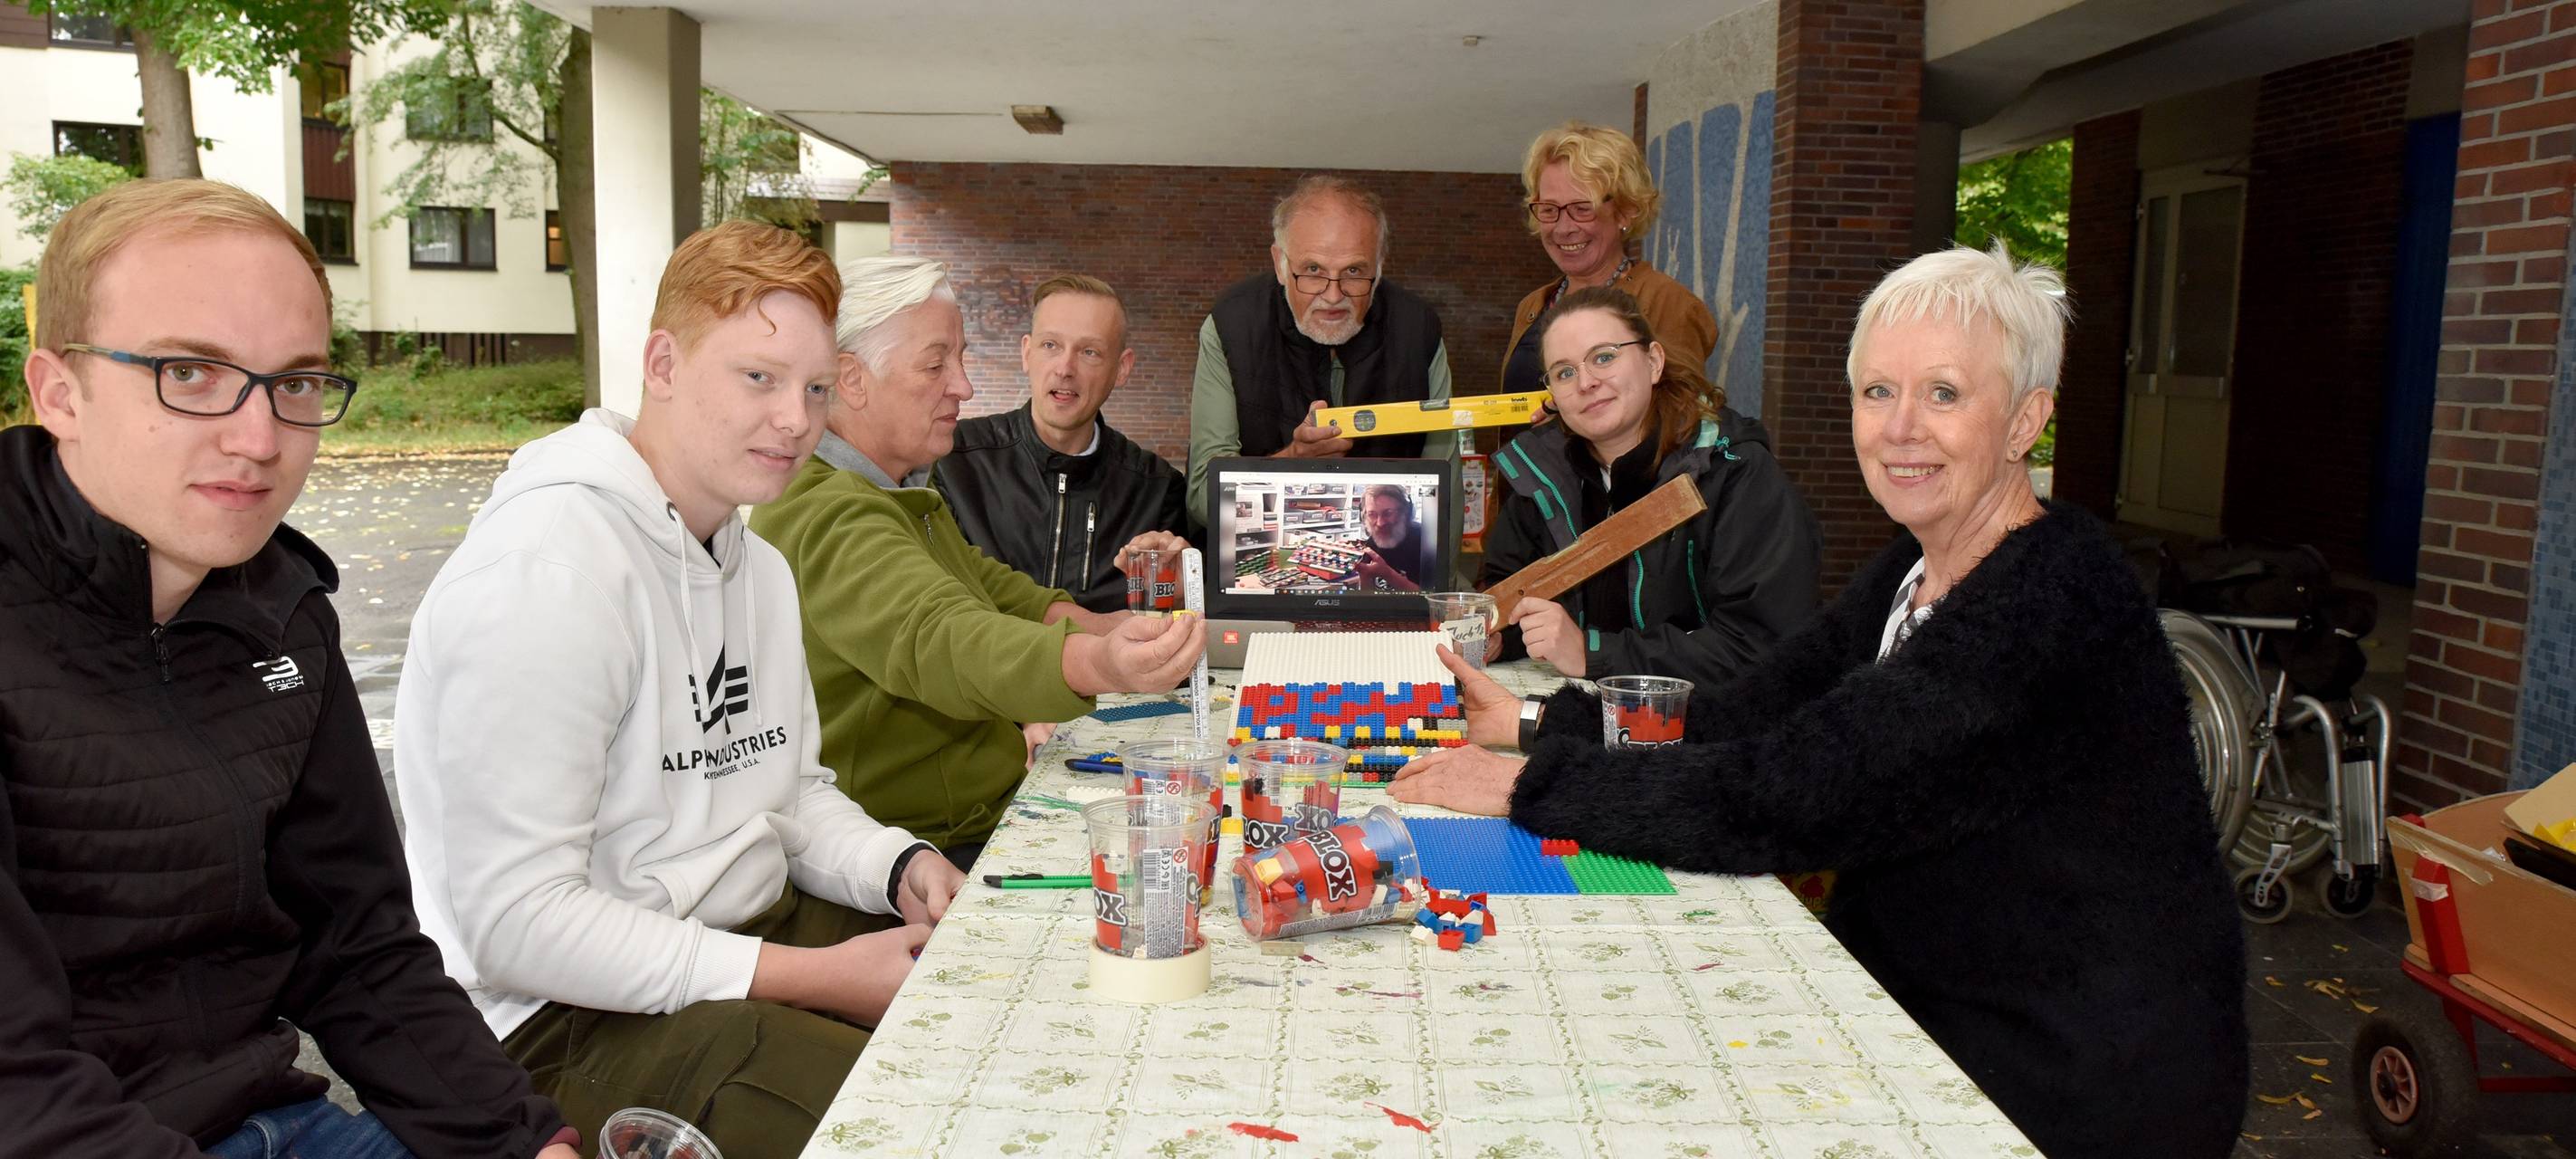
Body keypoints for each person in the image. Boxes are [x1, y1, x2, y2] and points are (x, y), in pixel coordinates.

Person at [1394, 244, 2248, 1159]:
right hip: (1925, 1003)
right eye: (1877, 392)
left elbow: (1786, 791)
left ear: (2023, 421)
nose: (1900, 427)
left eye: (1944, 393)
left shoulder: (2047, 599)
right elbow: (1747, 714)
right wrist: (1533, 722)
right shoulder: (1918, 569)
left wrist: (1530, 784)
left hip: (2067, 1078)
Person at [2, 178, 575, 1158]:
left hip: (279, 1117)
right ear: (62, 392)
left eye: (295, 383)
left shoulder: (279, 612)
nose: (260, 438)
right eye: (191, 371)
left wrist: (524, 1142)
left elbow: (358, 949)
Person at [394, 221, 964, 1159]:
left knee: (988, 1005)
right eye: (758, 377)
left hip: (739, 934)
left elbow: (789, 793)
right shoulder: (548, 569)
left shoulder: (758, 566)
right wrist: (810, 975)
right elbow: (515, 925)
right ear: (662, 362)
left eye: (816, 388)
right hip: (553, 1021)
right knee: (923, 1121)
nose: (795, 419)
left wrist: (898, 865)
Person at [752, 256, 1203, 867]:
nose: (963, 385)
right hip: (916, 848)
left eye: (959, 361)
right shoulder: (831, 510)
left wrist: (1111, 629)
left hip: (982, 809)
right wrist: (1101, 659)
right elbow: (945, 635)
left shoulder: (896, 491)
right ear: (852, 380)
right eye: (937, 364)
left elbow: (992, 589)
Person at [1482, 286, 1818, 683]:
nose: (1586, 382)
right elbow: (1510, 594)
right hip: (1575, 716)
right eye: (1565, 372)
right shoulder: (1537, 474)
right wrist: (1503, 639)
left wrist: (1594, 654)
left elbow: (1764, 644)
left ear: (1654, 362)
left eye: (1604, 357)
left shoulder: (1734, 473)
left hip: (1709, 730)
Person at [1187, 175, 1460, 522]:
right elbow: (1201, 502)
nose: (1333, 296)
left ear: (1379, 266)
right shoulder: (1230, 325)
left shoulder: (1419, 330)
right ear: (1280, 265)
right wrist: (1294, 459)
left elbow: (1443, 492)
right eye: (1313, 270)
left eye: (1354, 271)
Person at [934, 274, 1185, 611]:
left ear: (1121, 369)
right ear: (1027, 353)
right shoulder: (954, 459)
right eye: (1050, 345)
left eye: (1089, 352)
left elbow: (1165, 615)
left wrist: (1179, 587)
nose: (1065, 368)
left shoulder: (1157, 490)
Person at [1500, 122, 1718, 396]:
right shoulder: (1532, 307)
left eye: (1582, 209)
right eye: (1549, 209)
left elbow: (1681, 421)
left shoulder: (1668, 304)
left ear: (1626, 211)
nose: (1563, 228)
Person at [1350, 483, 1434, 591]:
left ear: (1406, 512)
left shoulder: (1426, 541)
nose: (1380, 523)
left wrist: (1387, 574)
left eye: (1388, 513)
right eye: (1372, 514)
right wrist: (1364, 573)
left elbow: (1429, 598)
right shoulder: (1374, 540)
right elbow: (1367, 594)